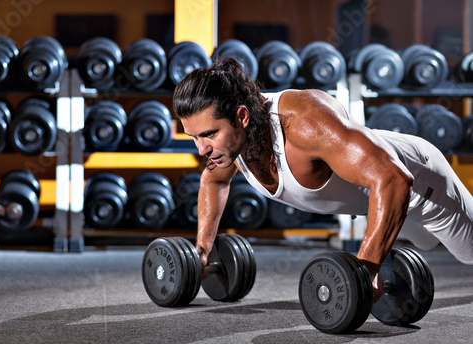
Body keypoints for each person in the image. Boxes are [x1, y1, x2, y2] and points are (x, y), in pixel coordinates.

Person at [172, 57, 473, 301]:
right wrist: (202, 250)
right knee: (420, 245)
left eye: (209, 134)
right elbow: (214, 182)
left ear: (242, 117)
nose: (202, 149)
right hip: (379, 204)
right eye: (194, 137)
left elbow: (393, 178)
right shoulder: (230, 144)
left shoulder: (305, 122)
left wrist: (365, 271)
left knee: (469, 255)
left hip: (420, 185)